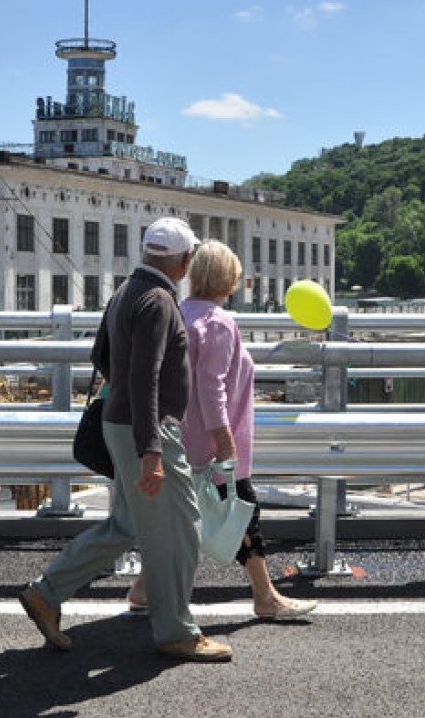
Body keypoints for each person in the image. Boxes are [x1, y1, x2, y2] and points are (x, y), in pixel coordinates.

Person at [18, 218, 233, 662]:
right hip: (148, 429)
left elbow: (103, 356)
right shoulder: (157, 301)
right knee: (181, 529)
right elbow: (146, 377)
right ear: (184, 260)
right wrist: (152, 449)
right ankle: (176, 628)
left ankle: (47, 592)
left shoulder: (124, 292)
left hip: (121, 422)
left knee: (129, 525)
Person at [128, 240, 316, 622]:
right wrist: (226, 442)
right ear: (228, 278)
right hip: (215, 441)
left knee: (186, 517)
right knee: (242, 513)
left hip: (182, 437)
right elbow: (211, 386)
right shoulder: (218, 323)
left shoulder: (180, 311)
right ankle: (266, 597)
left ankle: (144, 587)